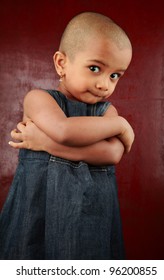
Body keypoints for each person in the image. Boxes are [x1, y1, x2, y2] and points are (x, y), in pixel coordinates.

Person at [0, 12, 134, 260]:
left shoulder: (108, 113)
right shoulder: (39, 99)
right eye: (95, 68)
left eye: (115, 75)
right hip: (38, 211)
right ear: (61, 63)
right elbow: (64, 131)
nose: (105, 84)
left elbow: (112, 153)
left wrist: (44, 144)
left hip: (91, 215)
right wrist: (120, 126)